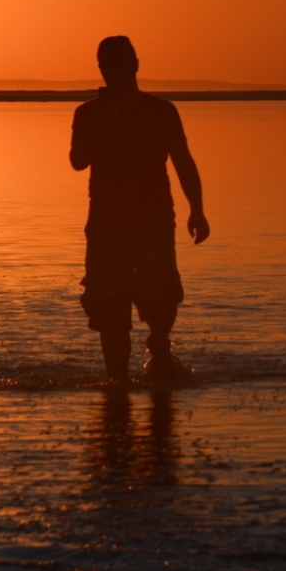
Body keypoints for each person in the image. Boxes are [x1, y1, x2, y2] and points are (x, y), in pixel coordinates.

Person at [70, 36, 210, 384]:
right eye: (107, 64)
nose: (114, 70)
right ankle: (118, 381)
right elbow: (77, 161)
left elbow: (183, 161)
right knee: (109, 303)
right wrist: (107, 118)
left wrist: (198, 209)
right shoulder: (88, 113)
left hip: (154, 218)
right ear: (100, 69)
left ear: (135, 64)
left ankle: (159, 345)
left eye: (122, 62)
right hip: (106, 223)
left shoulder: (161, 111)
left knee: (162, 293)